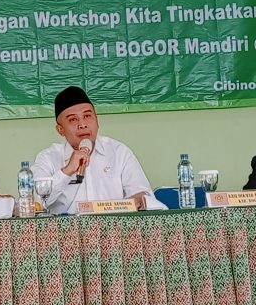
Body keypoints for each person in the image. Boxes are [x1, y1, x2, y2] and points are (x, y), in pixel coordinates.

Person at [32, 86, 162, 214]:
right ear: (60, 130)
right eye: (73, 119)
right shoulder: (48, 158)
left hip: (114, 226)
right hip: (67, 227)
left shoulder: (119, 152)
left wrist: (140, 199)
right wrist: (67, 171)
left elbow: (143, 195)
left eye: (87, 116)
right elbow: (35, 202)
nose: (82, 124)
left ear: (97, 121)